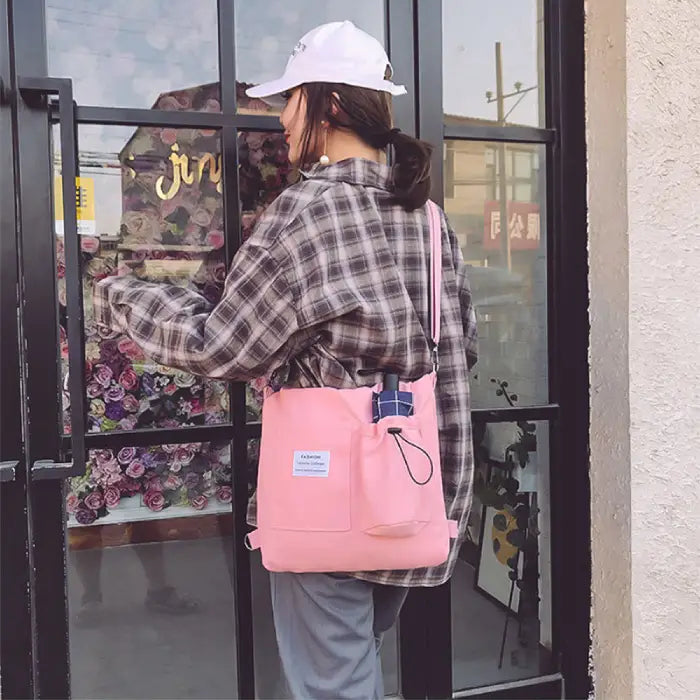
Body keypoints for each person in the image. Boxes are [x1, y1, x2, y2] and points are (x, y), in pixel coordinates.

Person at [94, 20, 477, 700]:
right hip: (412, 488)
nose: (282, 117)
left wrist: (123, 295)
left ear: (326, 105)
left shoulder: (306, 211)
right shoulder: (426, 218)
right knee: (354, 663)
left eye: (290, 99)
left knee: (333, 684)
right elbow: (457, 351)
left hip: (329, 494)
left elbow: (226, 346)